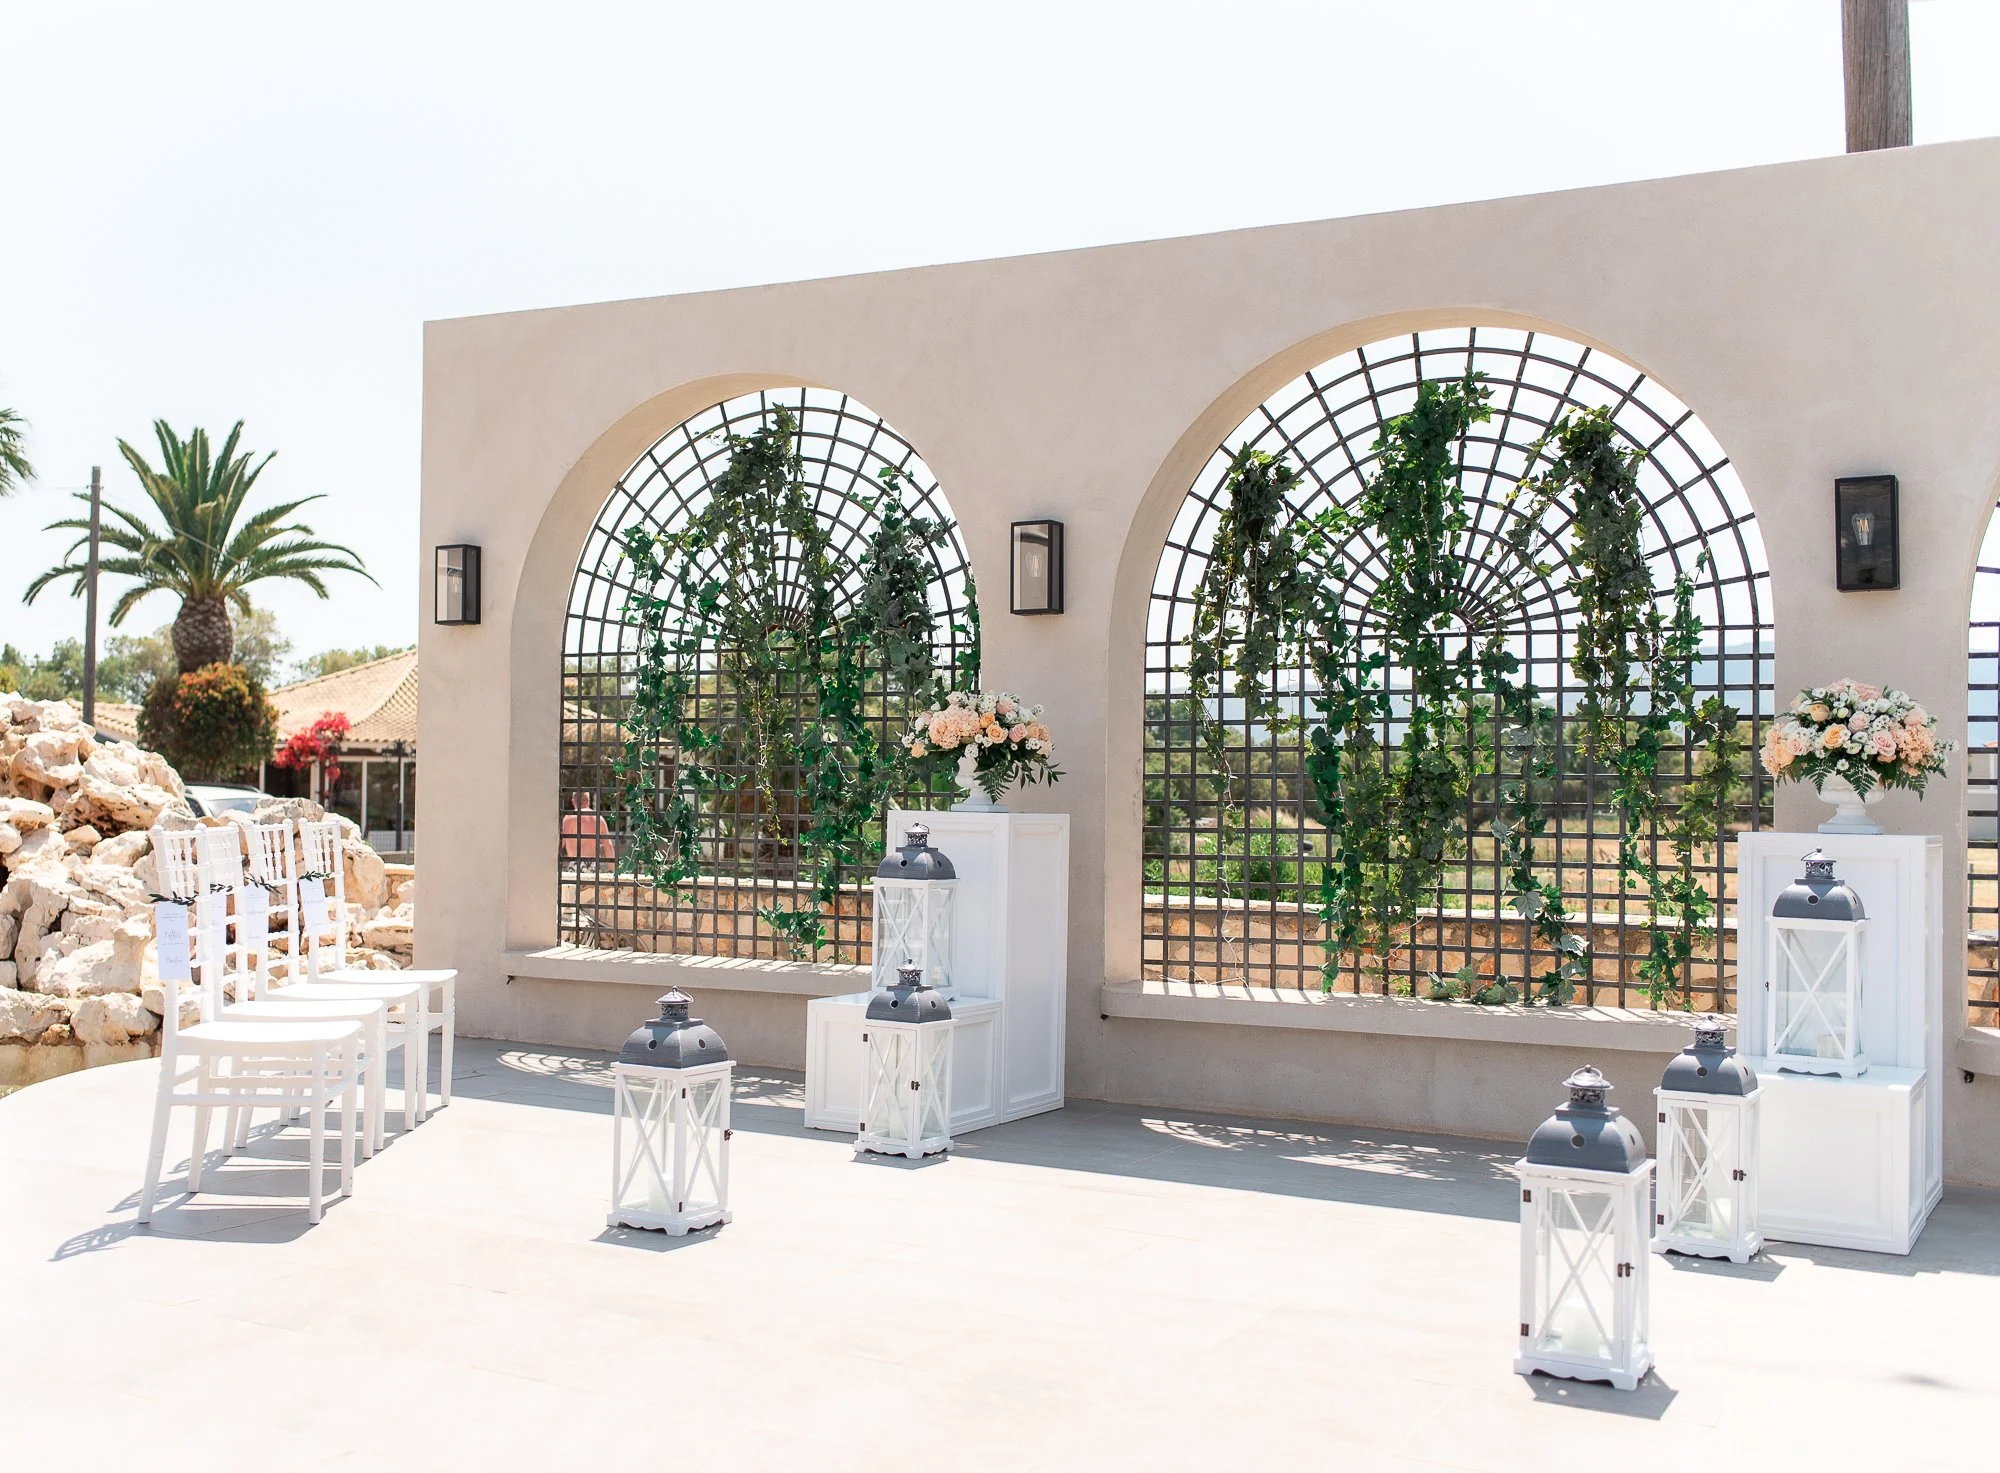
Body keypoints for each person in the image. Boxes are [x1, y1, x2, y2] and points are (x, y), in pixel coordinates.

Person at [560, 791, 617, 863]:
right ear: (588, 801)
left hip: (575, 863)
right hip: (593, 864)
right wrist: (612, 868)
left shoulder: (568, 818)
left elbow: (560, 844)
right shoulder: (598, 818)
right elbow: (608, 845)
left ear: (573, 801)